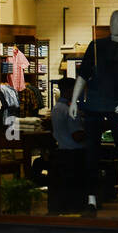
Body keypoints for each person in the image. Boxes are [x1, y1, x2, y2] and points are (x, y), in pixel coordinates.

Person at [49, 77, 88, 214]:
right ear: (71, 90)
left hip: (62, 152)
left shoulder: (56, 108)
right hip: (74, 155)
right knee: (75, 190)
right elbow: (77, 136)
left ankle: (64, 210)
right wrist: (91, 131)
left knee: (64, 189)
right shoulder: (70, 110)